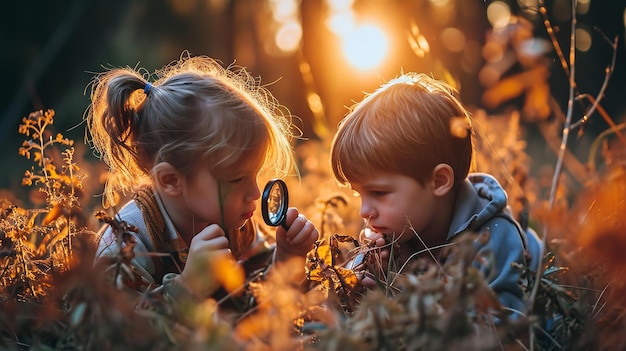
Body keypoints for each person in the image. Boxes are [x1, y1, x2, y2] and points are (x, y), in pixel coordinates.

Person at [87, 53, 319, 307]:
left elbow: (255, 302)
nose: (255, 192)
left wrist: (286, 259)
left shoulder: (236, 223)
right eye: (236, 178)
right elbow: (116, 332)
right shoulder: (128, 244)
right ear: (171, 180)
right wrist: (187, 288)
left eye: (255, 175)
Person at [329, 72, 543, 314]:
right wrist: (362, 290)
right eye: (359, 194)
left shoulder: (492, 238)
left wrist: (401, 305)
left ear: (439, 181)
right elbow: (344, 308)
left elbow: (502, 328)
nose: (364, 211)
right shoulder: (390, 238)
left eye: (379, 192)